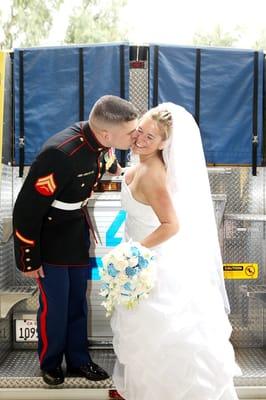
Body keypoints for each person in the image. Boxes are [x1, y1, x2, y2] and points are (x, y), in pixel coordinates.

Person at [110, 103, 241, 400]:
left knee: (162, 336)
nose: (140, 140)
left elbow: (171, 225)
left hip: (156, 265)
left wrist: (132, 254)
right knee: (144, 339)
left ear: (165, 143)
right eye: (139, 131)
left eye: (150, 137)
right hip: (141, 258)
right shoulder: (140, 163)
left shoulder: (155, 175)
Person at [13, 95, 139, 386]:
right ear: (107, 133)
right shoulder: (61, 154)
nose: (134, 136)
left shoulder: (100, 141)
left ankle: (79, 360)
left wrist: (122, 172)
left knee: (76, 302)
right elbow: (26, 209)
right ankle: (52, 362)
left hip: (75, 232)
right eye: (129, 133)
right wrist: (28, 258)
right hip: (50, 237)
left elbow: (106, 161)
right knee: (55, 305)